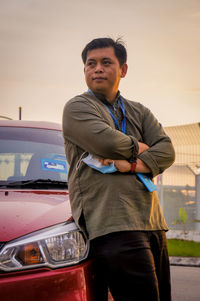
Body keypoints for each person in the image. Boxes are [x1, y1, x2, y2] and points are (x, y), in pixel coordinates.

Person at [62, 37, 175, 301]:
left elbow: (167, 150)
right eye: (91, 64)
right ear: (85, 71)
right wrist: (145, 149)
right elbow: (106, 142)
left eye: (106, 62)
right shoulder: (78, 107)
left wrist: (130, 163)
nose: (97, 69)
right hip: (113, 223)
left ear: (123, 70)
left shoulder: (139, 111)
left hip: (152, 221)